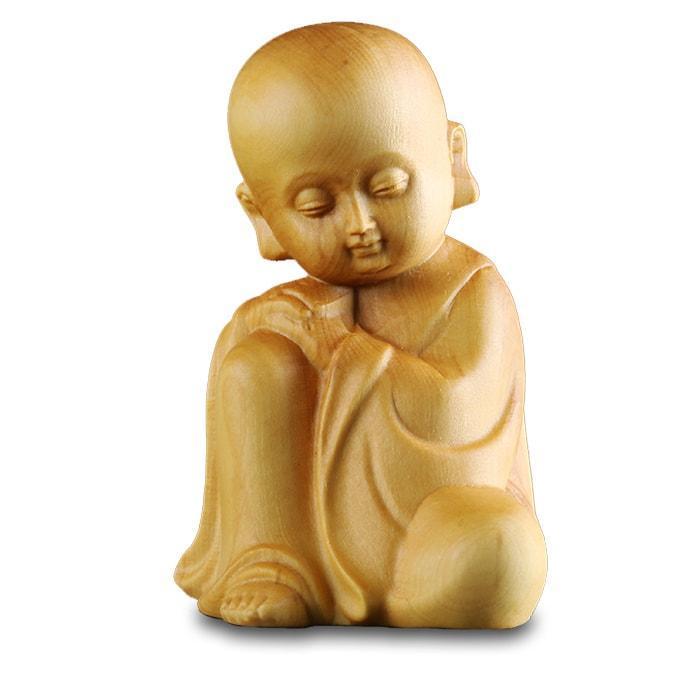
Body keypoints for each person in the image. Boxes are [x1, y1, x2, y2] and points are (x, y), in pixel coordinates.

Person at [175, 22, 547, 628]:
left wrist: (343, 348)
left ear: (452, 157)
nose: (360, 225)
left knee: (501, 547)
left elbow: (454, 414)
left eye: (388, 187)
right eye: (316, 206)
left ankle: (416, 596)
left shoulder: (475, 289)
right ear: (261, 215)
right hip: (309, 536)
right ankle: (270, 561)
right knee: (256, 364)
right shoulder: (297, 306)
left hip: (434, 526)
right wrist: (262, 331)